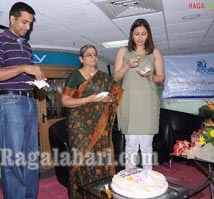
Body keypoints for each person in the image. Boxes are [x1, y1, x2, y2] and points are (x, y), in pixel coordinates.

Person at [0, 2, 44, 199]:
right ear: (12, 19)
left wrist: (38, 81)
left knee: (31, 158)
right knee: (14, 159)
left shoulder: (26, 45)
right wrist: (23, 68)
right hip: (10, 103)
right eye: (24, 22)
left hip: (29, 102)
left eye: (31, 23)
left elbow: (24, 75)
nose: (28, 27)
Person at [61, 44, 123, 198]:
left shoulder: (103, 77)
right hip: (79, 126)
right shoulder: (75, 76)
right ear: (81, 59)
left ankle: (101, 192)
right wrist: (88, 99)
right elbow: (65, 101)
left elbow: (115, 94)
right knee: (82, 160)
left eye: (95, 54)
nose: (93, 57)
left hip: (100, 126)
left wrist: (108, 100)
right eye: (89, 55)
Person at [113, 18, 165, 170]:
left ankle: (147, 179)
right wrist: (127, 65)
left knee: (147, 146)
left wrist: (150, 76)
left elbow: (161, 78)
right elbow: (115, 78)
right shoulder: (123, 51)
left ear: (148, 35)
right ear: (131, 34)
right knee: (131, 146)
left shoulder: (155, 52)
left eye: (143, 34)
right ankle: (130, 180)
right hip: (129, 103)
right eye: (137, 34)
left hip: (148, 104)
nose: (140, 37)